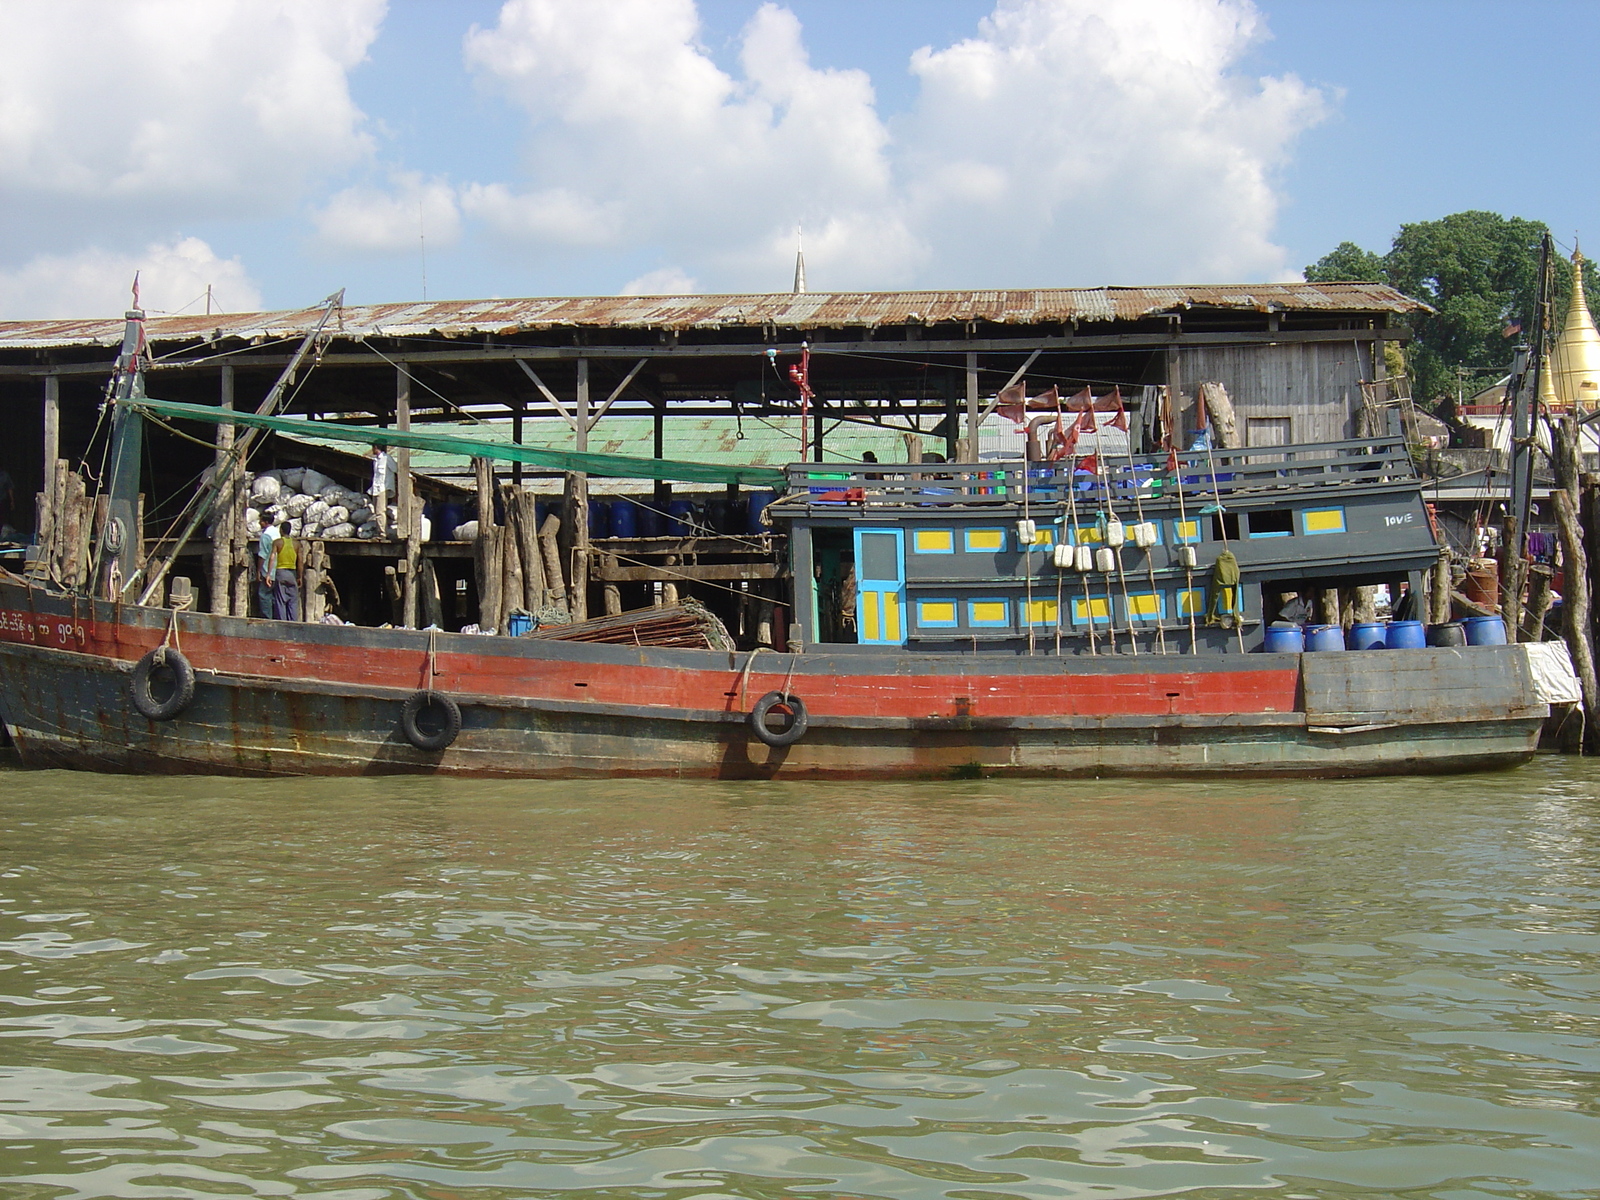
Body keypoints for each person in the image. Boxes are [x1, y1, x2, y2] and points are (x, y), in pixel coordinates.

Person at [271, 519, 301, 621]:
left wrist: (269, 574)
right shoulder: (296, 544)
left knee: (280, 600)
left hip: (280, 572)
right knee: (293, 600)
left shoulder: (277, 542)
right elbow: (300, 561)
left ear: (281, 530)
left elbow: (272, 557)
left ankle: (282, 622)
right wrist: (299, 576)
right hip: (292, 573)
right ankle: (293, 622)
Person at [255, 521, 279, 617]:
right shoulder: (277, 532)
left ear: (264, 522)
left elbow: (263, 555)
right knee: (275, 596)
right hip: (279, 569)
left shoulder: (265, 536)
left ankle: (267, 619)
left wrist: (258, 570)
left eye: (260, 521)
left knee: (264, 595)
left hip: (268, 570)